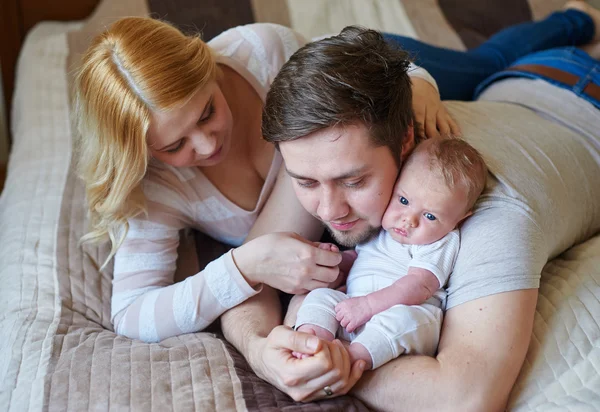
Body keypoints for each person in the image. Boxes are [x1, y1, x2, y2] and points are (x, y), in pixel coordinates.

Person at [219, 3, 600, 409]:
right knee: (387, 56)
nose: (329, 211)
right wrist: (262, 355)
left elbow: (463, 399)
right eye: (306, 183)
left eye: (355, 181)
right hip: (502, 89)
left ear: (405, 141)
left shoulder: (486, 215)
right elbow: (245, 277)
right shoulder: (322, 149)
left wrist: (334, 367)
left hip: (582, 88)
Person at [74, 16, 453, 342]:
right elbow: (132, 314)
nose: (206, 146)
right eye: (175, 145)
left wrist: (418, 86)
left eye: (207, 112)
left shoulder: (263, 53)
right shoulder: (152, 186)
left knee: (484, 63)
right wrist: (242, 266)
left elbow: (358, 71)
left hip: (394, 52)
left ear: (209, 67)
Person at [293, 138, 487, 372]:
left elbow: (418, 285)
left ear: (460, 219)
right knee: (320, 297)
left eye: (430, 216)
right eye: (404, 200)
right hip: (355, 310)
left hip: (403, 317)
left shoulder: (440, 241)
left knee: (405, 321)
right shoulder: (382, 229)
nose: (409, 220)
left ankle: (351, 360)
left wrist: (367, 305)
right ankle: (311, 342)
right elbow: (358, 260)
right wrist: (335, 262)